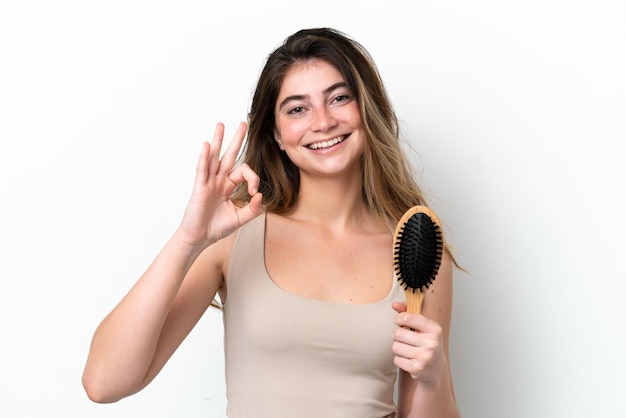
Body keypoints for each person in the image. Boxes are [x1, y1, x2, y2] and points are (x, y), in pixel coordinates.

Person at [82, 27, 460, 418]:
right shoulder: (232, 238)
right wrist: (187, 239)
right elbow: (104, 383)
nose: (323, 121)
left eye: (340, 98)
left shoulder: (420, 254)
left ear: (368, 108)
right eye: (298, 108)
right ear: (276, 133)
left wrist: (434, 376)